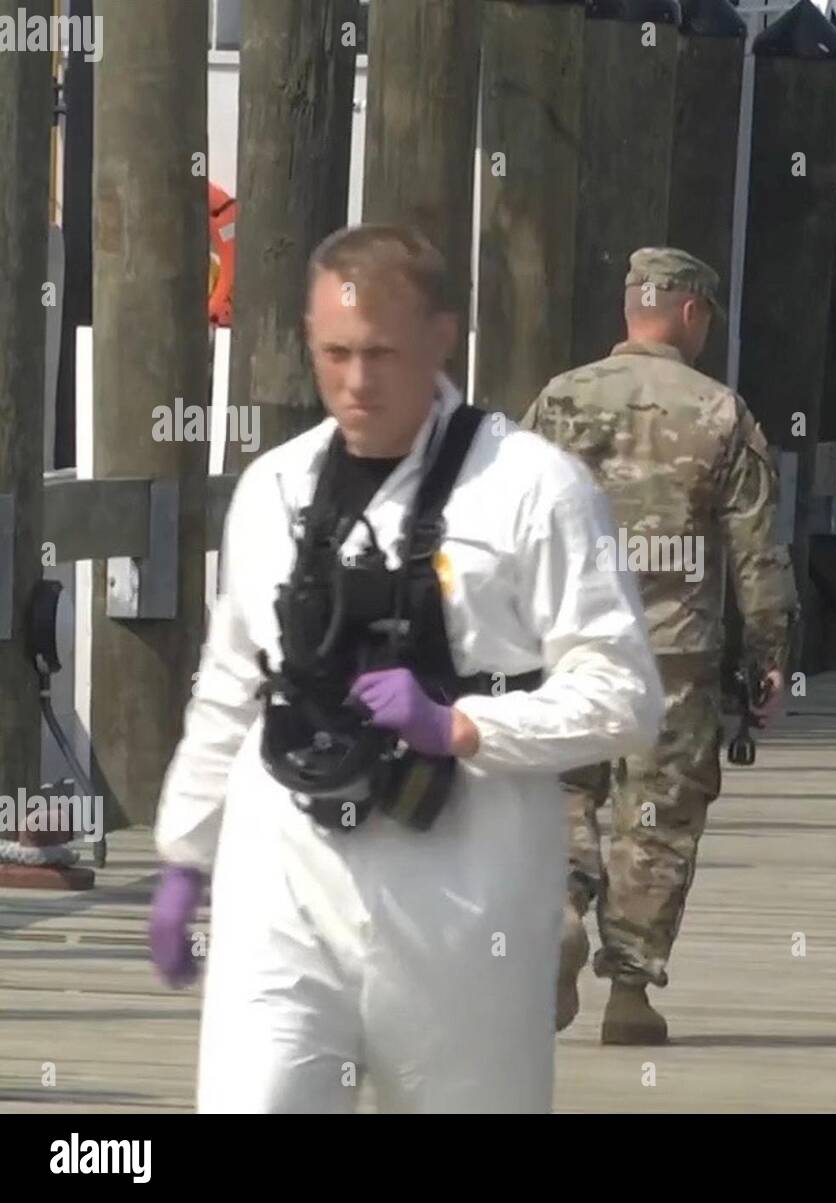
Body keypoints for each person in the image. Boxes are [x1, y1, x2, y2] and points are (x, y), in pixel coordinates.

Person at [147, 223, 665, 1113]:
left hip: (464, 901)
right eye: (334, 352)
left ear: (441, 336)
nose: (355, 381)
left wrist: (465, 725)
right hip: (284, 882)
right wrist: (183, 856)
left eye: (381, 352)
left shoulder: (533, 489)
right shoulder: (271, 488)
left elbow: (625, 696)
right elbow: (232, 680)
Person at [520, 247, 799, 1044]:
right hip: (673, 655)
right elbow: (757, 554)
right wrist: (769, 658)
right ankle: (631, 993)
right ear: (690, 313)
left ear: (628, 310)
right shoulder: (721, 413)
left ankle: (563, 909)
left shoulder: (560, 399)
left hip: (569, 641)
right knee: (658, 817)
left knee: (566, 793)